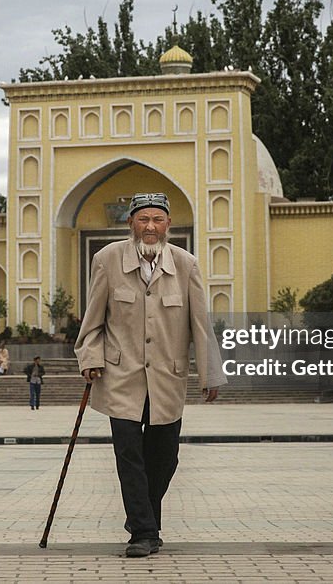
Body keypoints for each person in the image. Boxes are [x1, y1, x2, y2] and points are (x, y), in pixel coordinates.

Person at [75, 192, 227, 558]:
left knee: (164, 457)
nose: (150, 227)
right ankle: (143, 532)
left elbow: (200, 325)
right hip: (120, 378)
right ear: (131, 223)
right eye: (143, 220)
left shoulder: (186, 265)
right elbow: (93, 320)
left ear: (168, 225)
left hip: (166, 379)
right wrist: (89, 357)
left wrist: (209, 374)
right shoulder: (107, 260)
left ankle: (142, 519)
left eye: (157, 220)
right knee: (129, 456)